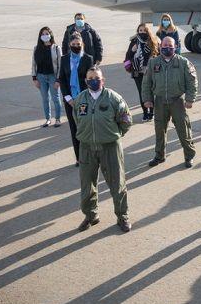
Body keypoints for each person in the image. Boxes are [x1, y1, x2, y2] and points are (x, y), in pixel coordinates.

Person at [74, 67, 134, 233]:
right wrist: (88, 136)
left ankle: (122, 216)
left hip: (110, 147)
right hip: (86, 147)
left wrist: (114, 135)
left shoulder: (114, 98)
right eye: (90, 78)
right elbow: (77, 119)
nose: (93, 80)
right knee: (87, 184)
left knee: (117, 183)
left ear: (103, 80)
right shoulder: (80, 100)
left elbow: (126, 120)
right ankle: (91, 215)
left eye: (97, 78)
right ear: (86, 81)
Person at [141, 36, 198, 167]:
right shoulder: (153, 63)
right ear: (160, 47)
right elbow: (146, 83)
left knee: (184, 130)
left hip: (177, 100)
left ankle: (189, 156)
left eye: (170, 46)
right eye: (164, 45)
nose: (167, 48)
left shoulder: (183, 62)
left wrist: (190, 99)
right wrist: (147, 99)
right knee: (160, 130)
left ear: (175, 47)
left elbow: (192, 81)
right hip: (160, 101)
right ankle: (159, 155)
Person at [58, 32, 94, 166]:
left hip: (85, 99)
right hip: (70, 101)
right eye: (73, 45)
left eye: (78, 45)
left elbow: (91, 78)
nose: (76, 47)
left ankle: (90, 154)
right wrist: (68, 97)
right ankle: (79, 157)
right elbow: (62, 79)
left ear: (82, 45)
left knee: (86, 126)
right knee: (74, 129)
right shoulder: (64, 59)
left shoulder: (87, 59)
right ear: (69, 45)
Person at [124, 23, 159, 121]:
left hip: (149, 71)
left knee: (151, 91)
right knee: (141, 92)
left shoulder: (153, 41)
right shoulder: (134, 42)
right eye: (140, 30)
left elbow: (158, 53)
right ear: (138, 31)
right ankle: (145, 112)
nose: (142, 32)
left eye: (145, 30)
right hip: (137, 72)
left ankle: (151, 112)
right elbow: (128, 56)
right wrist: (132, 50)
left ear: (148, 31)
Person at [31, 26, 62, 128]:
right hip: (41, 76)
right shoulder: (36, 48)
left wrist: (58, 79)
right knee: (45, 98)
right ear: (40, 36)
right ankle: (48, 119)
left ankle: (57, 119)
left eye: (47, 34)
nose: (45, 36)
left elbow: (60, 64)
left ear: (50, 35)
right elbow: (34, 64)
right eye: (43, 34)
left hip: (53, 76)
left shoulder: (56, 48)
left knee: (55, 98)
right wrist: (34, 78)